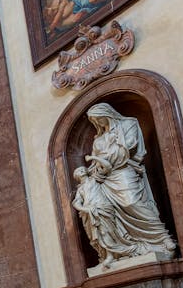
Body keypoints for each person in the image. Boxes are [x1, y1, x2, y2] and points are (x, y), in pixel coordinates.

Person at [73, 103, 176, 267]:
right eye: (95, 121)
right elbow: (94, 162)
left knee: (132, 202)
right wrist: (96, 171)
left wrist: (105, 161)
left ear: (107, 114)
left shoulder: (129, 124)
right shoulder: (98, 140)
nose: (99, 123)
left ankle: (163, 238)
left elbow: (128, 147)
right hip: (105, 180)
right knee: (108, 213)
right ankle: (121, 249)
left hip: (123, 170)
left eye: (100, 118)